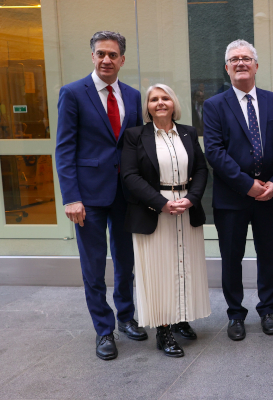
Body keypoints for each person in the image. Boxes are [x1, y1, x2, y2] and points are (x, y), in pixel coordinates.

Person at [55, 31, 145, 360]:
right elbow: (64, 150)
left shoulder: (133, 96)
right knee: (93, 267)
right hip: (88, 197)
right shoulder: (73, 93)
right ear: (92, 57)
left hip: (126, 194)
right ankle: (104, 330)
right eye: (100, 54)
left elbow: (135, 145)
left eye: (112, 54)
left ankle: (125, 317)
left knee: (125, 262)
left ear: (122, 59)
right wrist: (71, 197)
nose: (106, 59)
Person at [203, 39, 273, 341]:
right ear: (227, 68)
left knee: (268, 255)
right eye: (234, 59)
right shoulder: (214, 105)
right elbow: (214, 152)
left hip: (269, 195)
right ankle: (236, 314)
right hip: (232, 198)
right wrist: (247, 185)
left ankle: (268, 309)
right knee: (231, 257)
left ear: (256, 66)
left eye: (246, 58)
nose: (241, 63)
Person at [120, 83, 210, 358]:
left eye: (165, 98)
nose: (160, 103)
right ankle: (163, 331)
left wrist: (191, 198)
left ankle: (181, 317)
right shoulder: (135, 135)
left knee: (185, 266)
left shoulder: (188, 132)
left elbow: (201, 169)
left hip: (185, 209)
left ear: (174, 103)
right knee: (158, 271)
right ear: (147, 107)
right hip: (154, 212)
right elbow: (130, 176)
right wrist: (162, 203)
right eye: (153, 99)